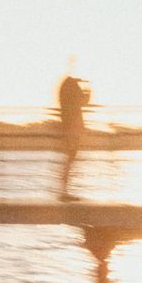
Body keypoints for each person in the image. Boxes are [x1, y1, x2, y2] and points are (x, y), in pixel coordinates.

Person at [55, 72, 90, 201]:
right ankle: (63, 192)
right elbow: (85, 101)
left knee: (69, 160)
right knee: (70, 159)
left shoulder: (65, 93)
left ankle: (64, 191)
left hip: (69, 127)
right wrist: (88, 90)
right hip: (72, 129)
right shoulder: (72, 93)